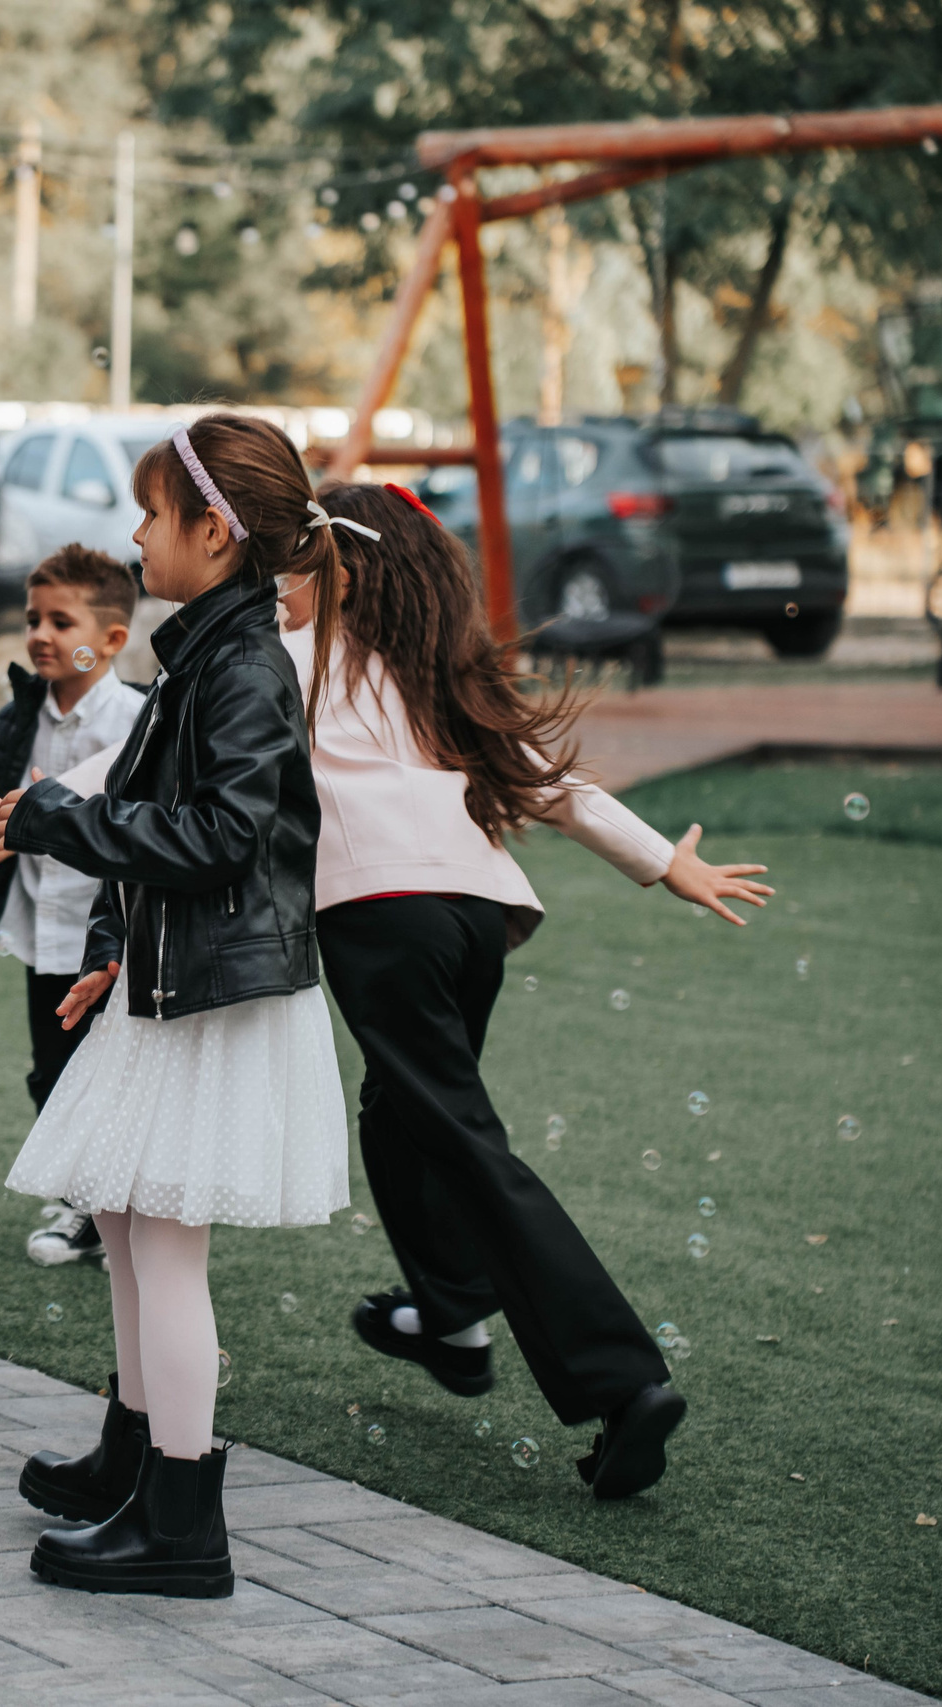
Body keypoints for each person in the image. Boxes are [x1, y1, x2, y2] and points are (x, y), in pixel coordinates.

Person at [278, 480, 772, 1500]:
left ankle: (621, 1380)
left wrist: (49, 799)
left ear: (349, 573)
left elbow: (165, 737)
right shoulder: (436, 676)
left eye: (298, 566)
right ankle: (451, 1319)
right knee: (397, 1116)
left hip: (385, 919)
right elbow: (553, 782)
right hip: (473, 922)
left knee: (459, 1143)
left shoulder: (293, 661)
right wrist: (663, 864)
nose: (280, 587)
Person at [0, 415, 349, 1599]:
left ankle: (181, 1521)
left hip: (219, 1000)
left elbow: (222, 837)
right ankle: (133, 1458)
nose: (133, 532)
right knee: (119, 1219)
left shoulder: (242, 665)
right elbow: (147, 812)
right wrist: (110, 939)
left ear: (212, 534)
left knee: (163, 1245)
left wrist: (48, 820)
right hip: (173, 978)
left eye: (151, 515)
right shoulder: (204, 649)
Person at [0, 545, 146, 1270]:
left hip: (111, 934)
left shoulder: (138, 720)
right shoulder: (21, 718)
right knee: (52, 1072)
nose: (41, 634)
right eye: (32, 619)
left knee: (117, 1073)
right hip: (41, 927)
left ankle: (123, 1211)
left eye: (62, 619)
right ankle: (86, 1204)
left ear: (113, 639)